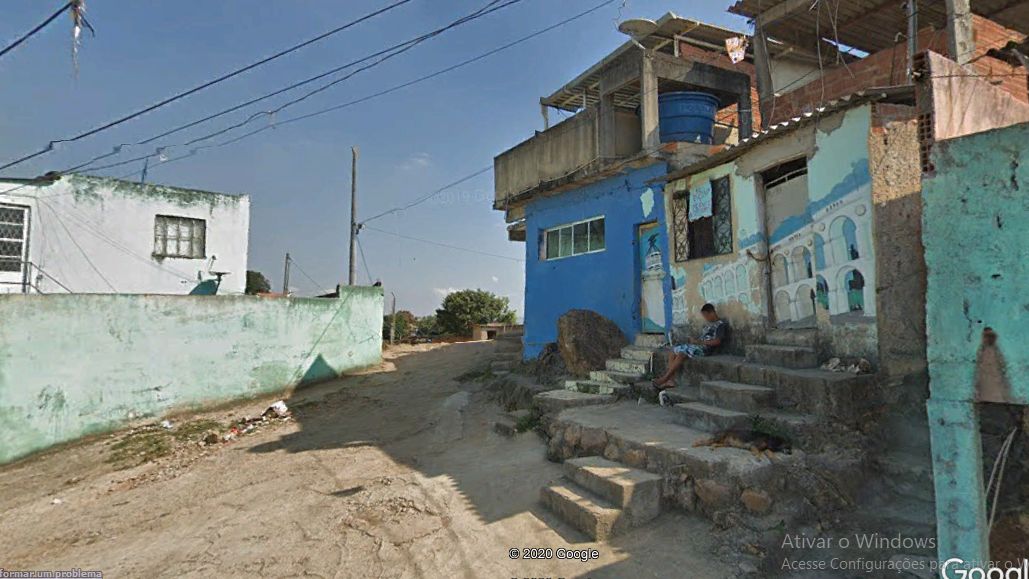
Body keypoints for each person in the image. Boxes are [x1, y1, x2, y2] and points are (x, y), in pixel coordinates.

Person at [652, 303, 729, 390]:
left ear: (712, 313)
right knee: (673, 351)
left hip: (705, 349)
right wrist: (695, 341)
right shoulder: (709, 324)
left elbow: (717, 342)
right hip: (698, 346)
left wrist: (699, 342)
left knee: (681, 354)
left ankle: (664, 379)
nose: (705, 318)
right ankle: (670, 381)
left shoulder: (720, 325)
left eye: (706, 316)